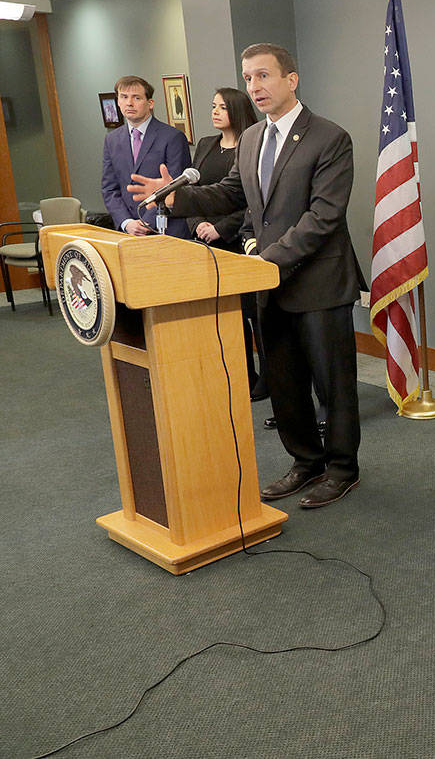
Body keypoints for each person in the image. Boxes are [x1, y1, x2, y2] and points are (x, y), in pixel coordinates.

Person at [130, 44, 364, 510]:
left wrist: (267, 259)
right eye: (248, 78)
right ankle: (305, 461)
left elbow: (323, 215)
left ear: (291, 79)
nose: (254, 87)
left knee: (331, 384)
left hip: (316, 282)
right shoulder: (253, 138)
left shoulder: (330, 138)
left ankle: (341, 469)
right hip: (266, 282)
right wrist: (175, 198)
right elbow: (232, 193)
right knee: (284, 380)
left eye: (264, 76)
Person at [186, 87, 269, 400]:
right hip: (206, 242)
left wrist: (221, 227)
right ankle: (242, 373)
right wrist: (198, 224)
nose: (215, 111)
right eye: (213, 105)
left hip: (239, 241)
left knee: (253, 314)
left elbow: (250, 200)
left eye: (222, 106)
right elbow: (197, 189)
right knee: (228, 315)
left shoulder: (251, 144)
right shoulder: (207, 145)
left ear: (236, 109)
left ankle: (269, 377)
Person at [101, 75, 192, 238]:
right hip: (127, 233)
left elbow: (176, 186)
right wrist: (126, 222)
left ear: (150, 103)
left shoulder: (173, 137)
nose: (129, 103)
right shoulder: (112, 139)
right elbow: (109, 189)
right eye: (124, 97)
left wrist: (145, 222)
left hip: (166, 231)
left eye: (136, 98)